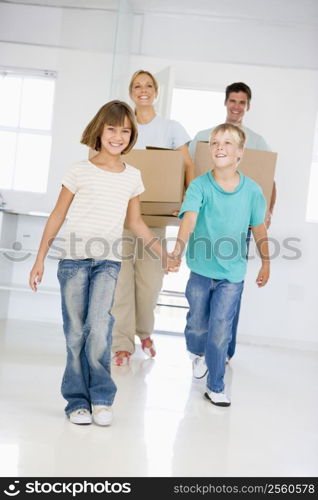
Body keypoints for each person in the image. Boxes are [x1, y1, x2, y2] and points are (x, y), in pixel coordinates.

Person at [29, 100, 180, 426]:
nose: (118, 136)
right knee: (75, 334)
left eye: (125, 130)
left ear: (131, 135)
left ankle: (101, 397)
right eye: (112, 129)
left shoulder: (132, 176)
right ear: (99, 130)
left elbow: (137, 223)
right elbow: (58, 215)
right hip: (73, 261)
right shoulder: (78, 170)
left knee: (99, 330)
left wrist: (162, 253)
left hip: (108, 262)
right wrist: (40, 258)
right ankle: (76, 402)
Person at [171, 123, 270, 406]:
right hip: (201, 270)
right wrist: (177, 250)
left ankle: (216, 386)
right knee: (198, 326)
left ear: (240, 152)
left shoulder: (252, 191)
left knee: (220, 329)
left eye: (227, 143)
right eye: (215, 143)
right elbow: (189, 218)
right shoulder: (200, 185)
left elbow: (259, 229)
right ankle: (195, 352)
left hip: (232, 275)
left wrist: (266, 263)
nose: (220, 148)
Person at [111, 70, 195, 366]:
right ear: (131, 92)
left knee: (149, 282)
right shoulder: (121, 125)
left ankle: (143, 331)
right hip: (120, 214)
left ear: (156, 91)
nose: (142, 90)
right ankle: (122, 343)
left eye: (148, 86)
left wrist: (186, 201)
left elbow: (187, 166)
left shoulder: (170, 127)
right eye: (137, 86)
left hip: (154, 216)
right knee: (120, 282)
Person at [190, 82, 276, 361]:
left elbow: (269, 180)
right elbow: (190, 173)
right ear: (225, 103)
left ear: (247, 106)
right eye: (232, 101)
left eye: (242, 102)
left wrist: (267, 213)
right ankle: (200, 348)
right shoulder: (206, 137)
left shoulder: (258, 141)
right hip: (207, 222)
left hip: (239, 225)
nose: (236, 106)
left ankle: (224, 351)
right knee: (200, 289)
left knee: (231, 286)